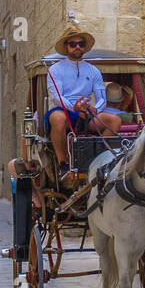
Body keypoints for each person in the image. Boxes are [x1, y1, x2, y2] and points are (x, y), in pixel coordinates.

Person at [45, 26, 122, 178]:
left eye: (80, 43)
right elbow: (57, 97)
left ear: (85, 47)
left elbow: (101, 99)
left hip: (86, 111)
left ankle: (98, 158)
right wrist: (74, 107)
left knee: (115, 120)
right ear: (67, 47)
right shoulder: (55, 70)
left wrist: (94, 109)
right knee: (58, 118)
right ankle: (63, 164)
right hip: (63, 109)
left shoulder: (93, 71)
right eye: (73, 44)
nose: (77, 47)